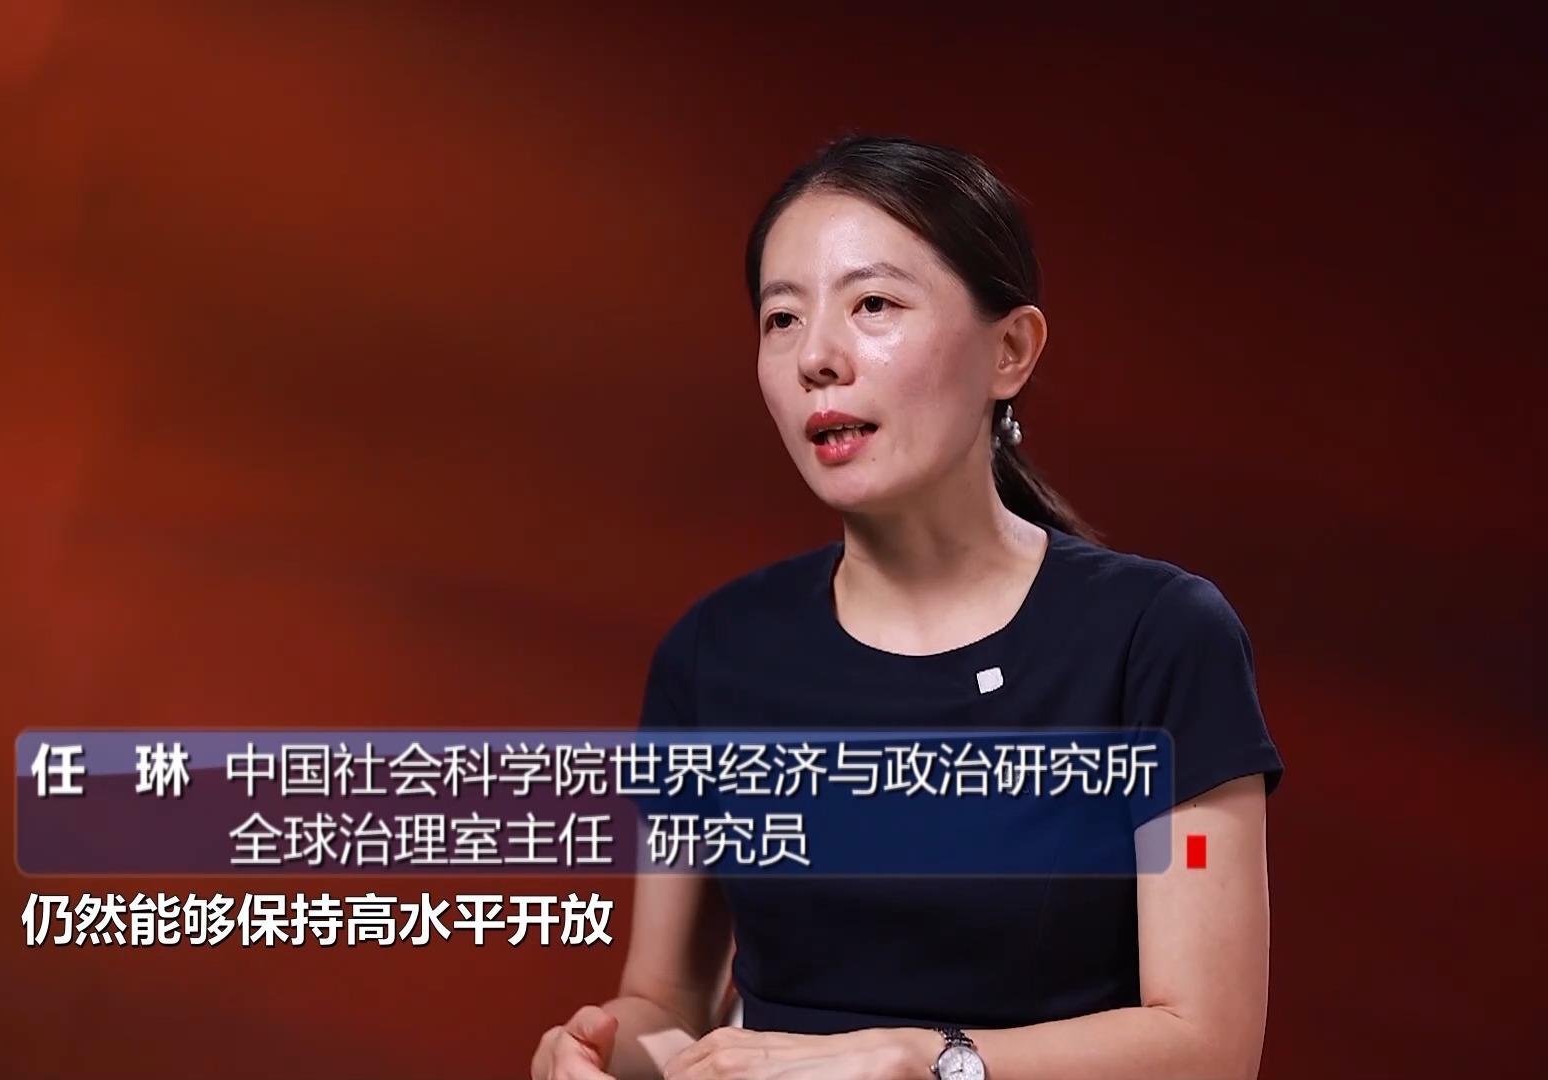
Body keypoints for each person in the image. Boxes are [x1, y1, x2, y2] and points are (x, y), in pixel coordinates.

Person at [529, 134, 1285, 1080]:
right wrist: (603, 1052)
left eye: (874, 305)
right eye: (781, 319)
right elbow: (671, 1008)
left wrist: (929, 1062)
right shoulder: (713, 655)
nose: (817, 358)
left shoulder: (1158, 641)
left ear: (1010, 350)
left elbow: (1207, 1048)